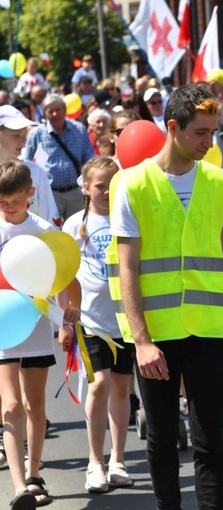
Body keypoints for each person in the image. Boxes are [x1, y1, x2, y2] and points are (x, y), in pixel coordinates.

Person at [105, 84, 223, 509]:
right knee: (162, 439)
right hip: (156, 336)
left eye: (214, 133)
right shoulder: (130, 183)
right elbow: (126, 266)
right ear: (173, 127)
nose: (208, 142)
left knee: (210, 444)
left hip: (205, 330)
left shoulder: (222, 182)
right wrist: (142, 340)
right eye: (201, 133)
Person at [0, 160, 79, 509]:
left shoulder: (44, 231)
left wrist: (67, 319)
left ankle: (34, 475)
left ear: (30, 195)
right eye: (1, 202)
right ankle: (18, 486)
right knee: (11, 404)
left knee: (35, 405)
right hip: (2, 328)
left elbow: (66, 275)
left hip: (35, 327)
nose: (7, 208)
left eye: (14, 201)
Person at [58, 157, 136, 493]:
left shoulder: (129, 219)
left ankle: (118, 460)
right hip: (89, 319)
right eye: (99, 185)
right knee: (98, 384)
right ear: (86, 187)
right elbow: (64, 275)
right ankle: (95, 462)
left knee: (122, 388)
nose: (105, 190)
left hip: (125, 319)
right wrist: (65, 317)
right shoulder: (74, 225)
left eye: (111, 183)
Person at [24, 95, 94, 221]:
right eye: (50, 111)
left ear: (65, 110)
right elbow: (27, 164)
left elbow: (89, 158)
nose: (55, 114)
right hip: (50, 193)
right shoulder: (36, 134)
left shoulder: (79, 129)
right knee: (52, 229)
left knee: (77, 228)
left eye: (58, 109)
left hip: (76, 191)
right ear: (45, 113)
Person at [0, 105, 60, 227]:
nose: (23, 142)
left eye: (24, 135)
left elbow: (50, 217)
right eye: (16, 135)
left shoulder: (35, 172)